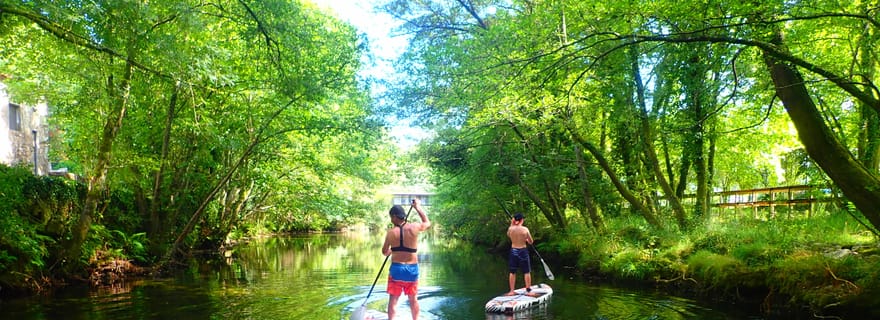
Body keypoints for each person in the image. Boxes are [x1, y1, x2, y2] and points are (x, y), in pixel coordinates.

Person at [382, 198, 431, 320]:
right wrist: (418, 207)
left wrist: (391, 251)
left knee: (393, 300)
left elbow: (384, 252)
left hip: (396, 270)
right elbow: (427, 223)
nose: (391, 220)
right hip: (412, 269)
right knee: (413, 299)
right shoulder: (414, 227)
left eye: (391, 217)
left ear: (394, 217)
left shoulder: (390, 233)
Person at [506, 212, 536, 297]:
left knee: (512, 272)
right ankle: (528, 290)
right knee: (526, 272)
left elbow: (509, 235)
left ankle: (511, 291)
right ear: (522, 220)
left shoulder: (510, 229)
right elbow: (531, 242)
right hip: (523, 251)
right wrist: (525, 239)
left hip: (513, 251)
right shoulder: (525, 229)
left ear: (514, 220)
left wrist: (512, 224)